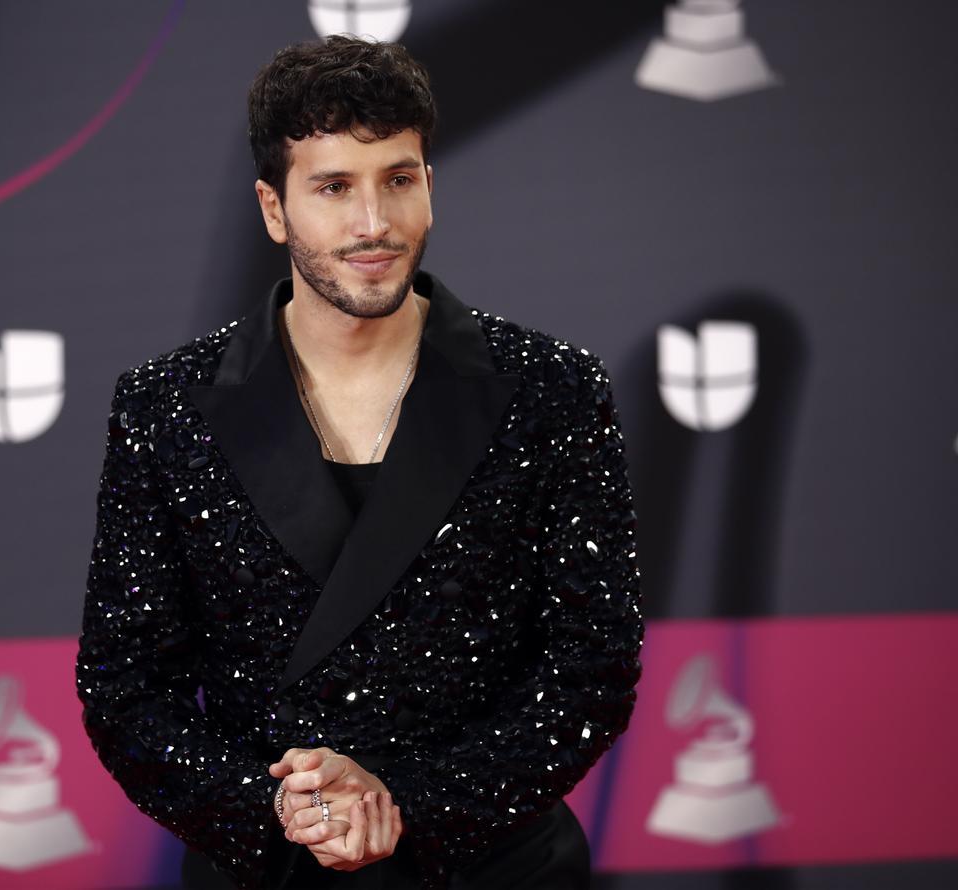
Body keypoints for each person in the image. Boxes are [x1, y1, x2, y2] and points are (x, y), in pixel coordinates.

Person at [76, 35, 644, 890]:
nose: (374, 223)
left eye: (399, 180)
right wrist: (273, 810)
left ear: (429, 187)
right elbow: (124, 688)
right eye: (335, 187)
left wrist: (410, 804)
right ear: (274, 209)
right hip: (269, 871)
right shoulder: (167, 406)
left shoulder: (552, 388)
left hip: (494, 868)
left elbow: (591, 664)